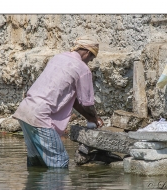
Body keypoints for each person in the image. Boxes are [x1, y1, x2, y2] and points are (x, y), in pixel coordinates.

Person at [13, 35, 104, 168]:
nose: (89, 62)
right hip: (41, 115)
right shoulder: (83, 69)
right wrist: (95, 118)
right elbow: (87, 103)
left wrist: (90, 118)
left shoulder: (58, 57)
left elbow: (73, 101)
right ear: (88, 52)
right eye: (91, 58)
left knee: (37, 162)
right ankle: (56, 188)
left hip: (25, 110)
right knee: (60, 162)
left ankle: (33, 188)